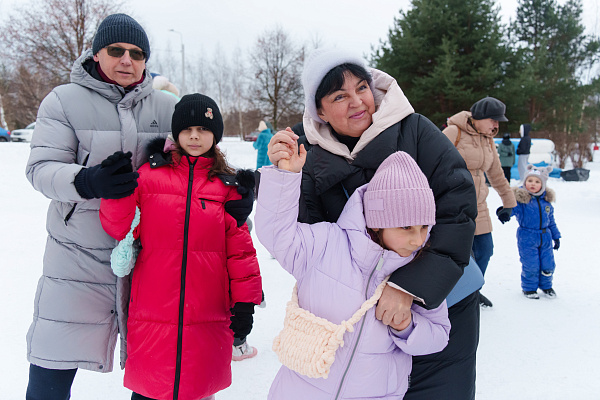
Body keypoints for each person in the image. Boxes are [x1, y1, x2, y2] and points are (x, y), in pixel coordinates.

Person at [23, 14, 253, 400]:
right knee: (52, 365)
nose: (127, 60)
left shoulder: (166, 106)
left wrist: (235, 199)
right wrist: (87, 181)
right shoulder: (63, 101)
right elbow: (41, 169)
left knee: (166, 373)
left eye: (137, 53)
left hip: (157, 264)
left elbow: (198, 165)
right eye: (117, 50)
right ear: (97, 53)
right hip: (78, 259)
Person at [267, 48, 477, 400]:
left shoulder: (414, 130)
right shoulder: (309, 156)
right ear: (319, 111)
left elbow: (457, 207)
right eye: (340, 96)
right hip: (367, 317)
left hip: (440, 297)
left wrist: (410, 286)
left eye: (362, 88)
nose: (357, 102)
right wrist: (284, 176)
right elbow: (302, 238)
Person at [100, 94, 262, 399]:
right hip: (153, 310)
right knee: (150, 387)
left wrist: (245, 303)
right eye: (187, 130)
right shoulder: (149, 176)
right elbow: (120, 227)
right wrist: (115, 191)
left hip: (207, 312)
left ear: (216, 135)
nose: (195, 136)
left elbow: (241, 253)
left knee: (197, 386)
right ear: (176, 134)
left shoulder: (227, 188)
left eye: (203, 129)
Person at [256, 148, 450, 399]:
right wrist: (286, 176)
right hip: (300, 390)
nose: (418, 240)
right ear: (377, 222)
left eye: (424, 227)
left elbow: (439, 335)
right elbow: (277, 235)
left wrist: (407, 327)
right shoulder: (325, 244)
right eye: (406, 227)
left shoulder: (418, 270)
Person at [443, 96, 517, 308]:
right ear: (479, 117)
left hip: (479, 206)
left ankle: (473, 291)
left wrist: (509, 203)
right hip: (454, 205)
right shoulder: (453, 132)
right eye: (493, 120)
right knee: (460, 254)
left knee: (485, 250)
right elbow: (431, 163)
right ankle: (453, 296)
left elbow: (497, 174)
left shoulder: (488, 140)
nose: (496, 125)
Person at [501, 164, 561, 299]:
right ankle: (529, 288)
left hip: (545, 237)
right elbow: (512, 209)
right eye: (530, 181)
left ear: (543, 185)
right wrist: (505, 212)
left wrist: (556, 236)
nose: (533, 184)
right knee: (531, 264)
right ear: (525, 182)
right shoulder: (521, 201)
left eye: (537, 182)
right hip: (527, 237)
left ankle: (546, 286)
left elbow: (551, 221)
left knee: (548, 265)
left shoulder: (546, 202)